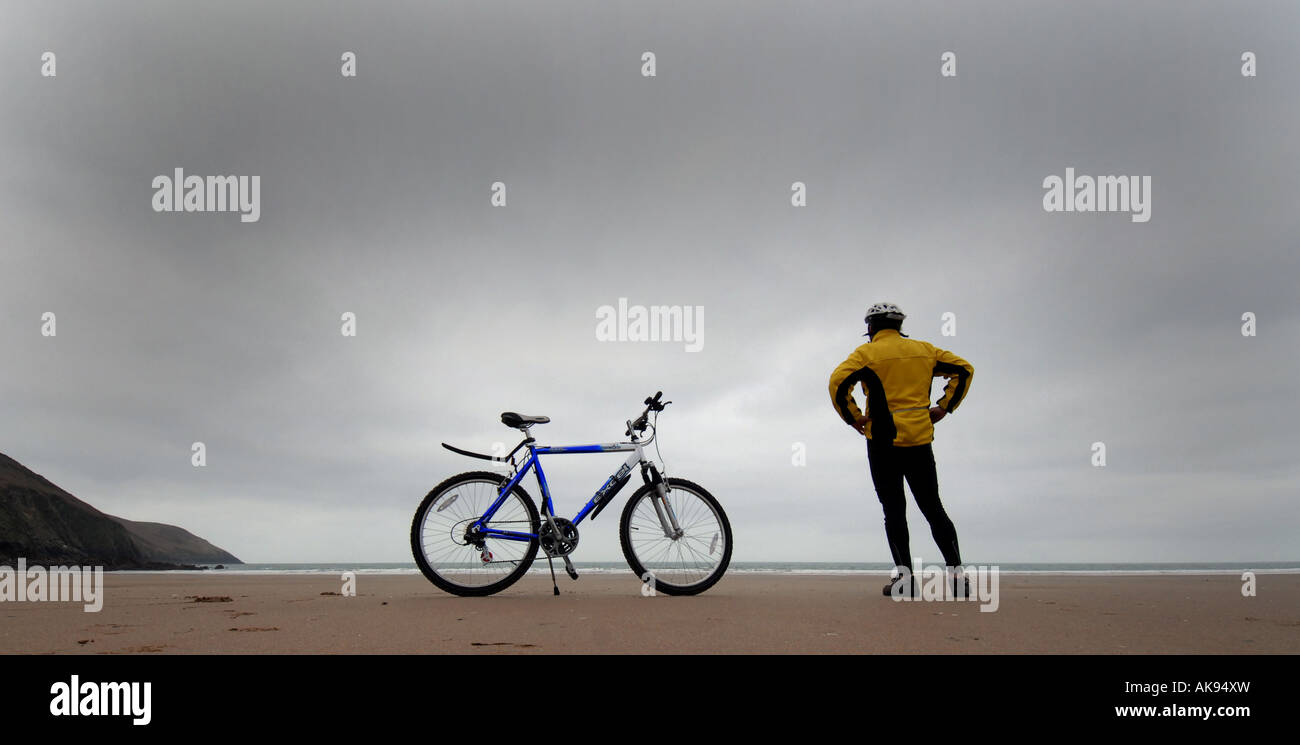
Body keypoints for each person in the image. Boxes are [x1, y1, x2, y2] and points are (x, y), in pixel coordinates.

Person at [828, 303, 974, 597]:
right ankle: (958, 577)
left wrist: (853, 417)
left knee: (894, 511)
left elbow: (837, 383)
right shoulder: (924, 350)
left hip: (882, 441)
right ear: (899, 326)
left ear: (871, 328)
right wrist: (944, 407)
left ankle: (906, 581)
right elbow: (964, 369)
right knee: (933, 508)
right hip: (920, 439)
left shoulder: (865, 354)